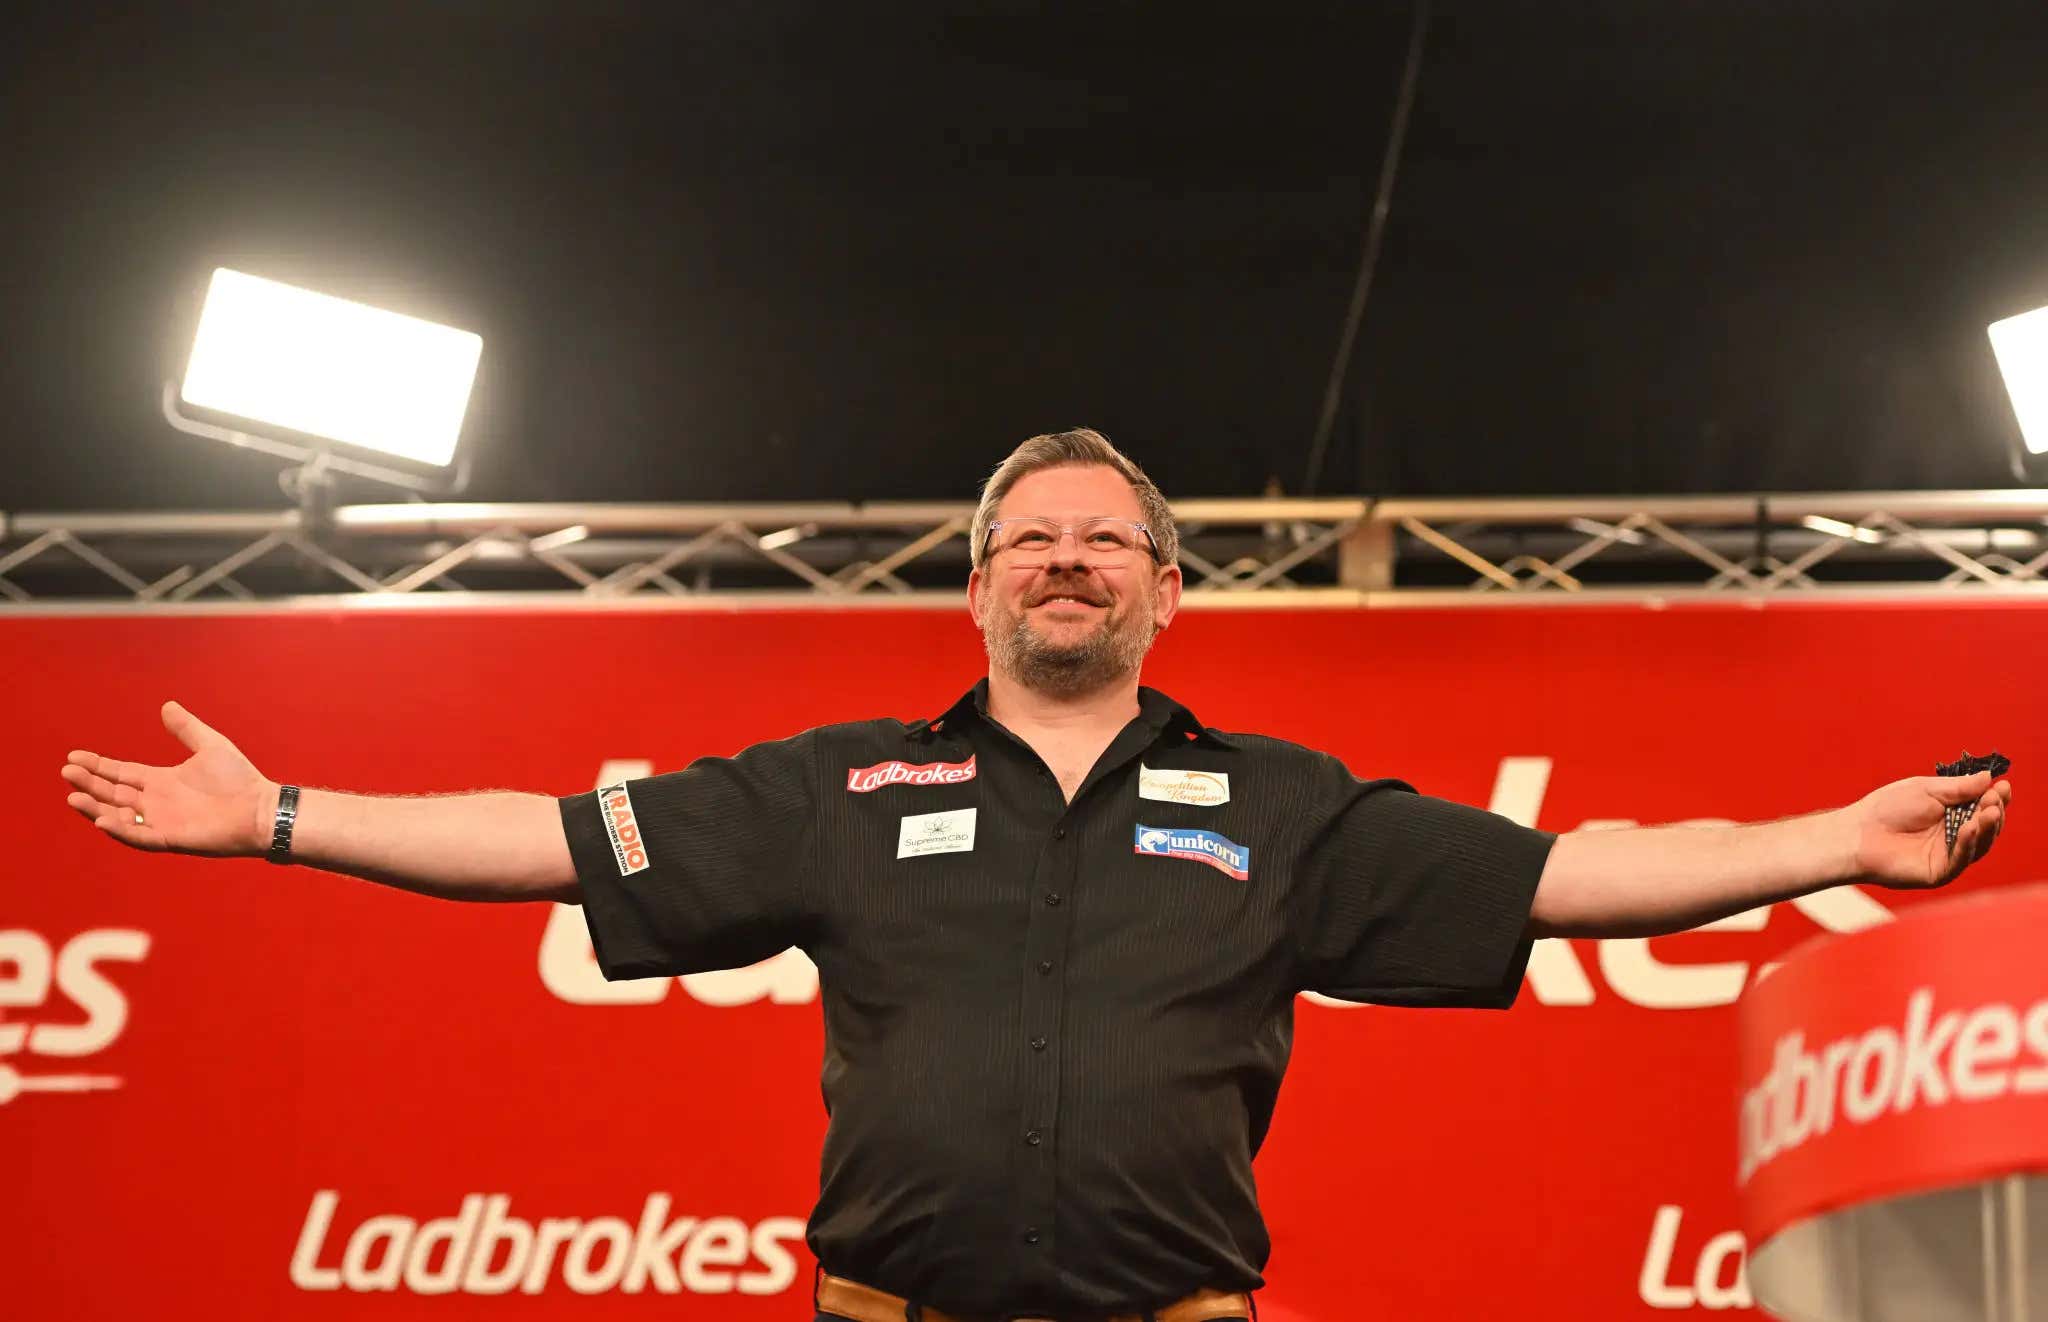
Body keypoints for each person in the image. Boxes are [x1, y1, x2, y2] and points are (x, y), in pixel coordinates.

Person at [62, 428, 2012, 1322]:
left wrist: (1837, 838)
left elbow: (1575, 870)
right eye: (1029, 537)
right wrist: (288, 813)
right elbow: (558, 841)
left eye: (1105, 539)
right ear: (976, 583)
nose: (1064, 559)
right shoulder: (841, 783)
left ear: (1169, 589)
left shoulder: (1283, 803)